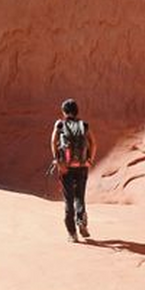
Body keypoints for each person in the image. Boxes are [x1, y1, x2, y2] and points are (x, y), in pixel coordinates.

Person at [50, 98, 95, 242]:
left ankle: (72, 234)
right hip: (82, 167)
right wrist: (89, 160)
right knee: (79, 197)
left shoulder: (60, 125)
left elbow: (53, 142)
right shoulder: (84, 125)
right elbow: (93, 143)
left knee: (68, 200)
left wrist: (57, 160)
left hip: (66, 168)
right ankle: (81, 220)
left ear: (64, 112)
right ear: (77, 111)